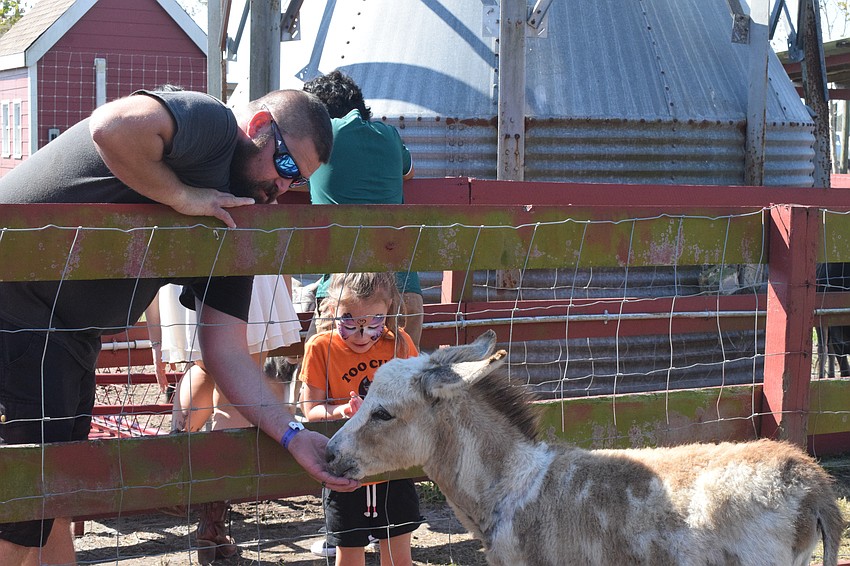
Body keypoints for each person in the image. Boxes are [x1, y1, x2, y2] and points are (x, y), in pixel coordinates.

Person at [0, 86, 358, 565]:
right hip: (22, 307)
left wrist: (293, 436)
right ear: (258, 129)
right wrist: (182, 196)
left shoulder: (234, 217)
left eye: (299, 183)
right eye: (287, 167)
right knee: (27, 505)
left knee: (57, 495)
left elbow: (226, 351)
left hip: (65, 334)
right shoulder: (212, 127)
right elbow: (111, 128)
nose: (283, 189)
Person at [299, 272, 423, 566]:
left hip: (392, 466)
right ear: (331, 310)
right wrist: (343, 412)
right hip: (344, 470)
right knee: (350, 557)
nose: (362, 334)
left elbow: (417, 401)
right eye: (350, 321)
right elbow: (310, 410)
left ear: (390, 309)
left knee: (398, 558)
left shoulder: (400, 344)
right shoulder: (320, 348)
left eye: (375, 321)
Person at [303, 71, 424, 348]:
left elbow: (295, 174)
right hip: (403, 296)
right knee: (398, 385)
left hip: (343, 295)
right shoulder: (390, 136)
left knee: (321, 380)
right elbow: (409, 172)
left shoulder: (323, 139)